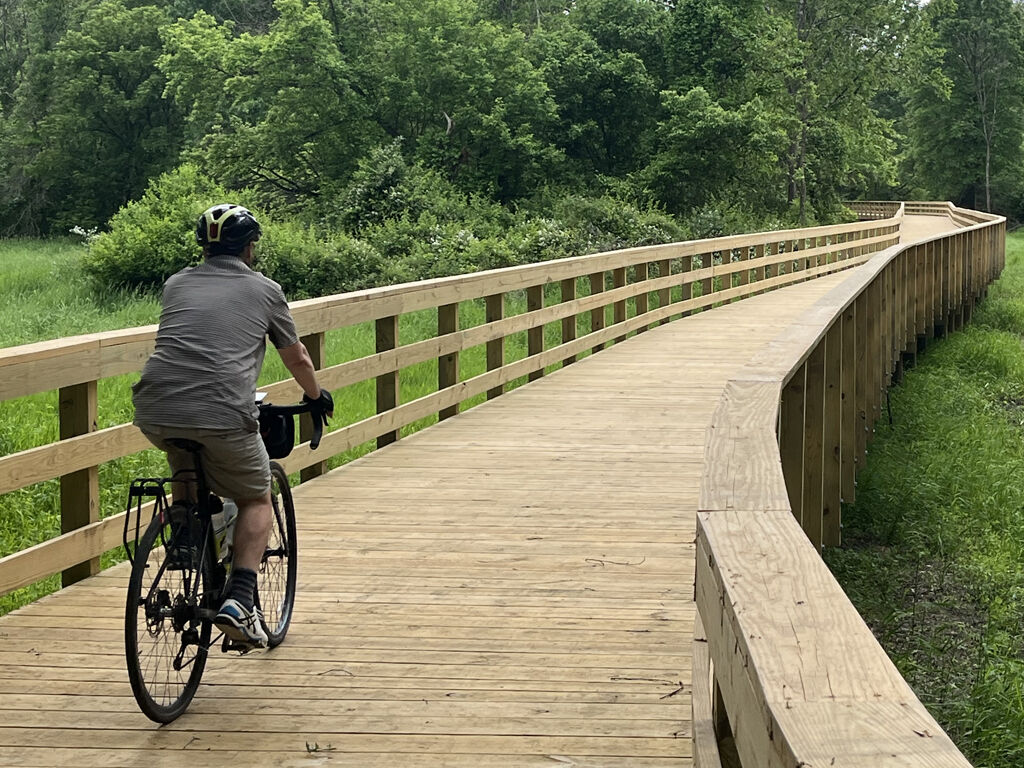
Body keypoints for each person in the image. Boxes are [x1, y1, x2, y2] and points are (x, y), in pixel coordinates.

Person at [132, 204, 333, 648]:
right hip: (222, 412)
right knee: (256, 498)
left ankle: (186, 534)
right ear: (248, 246)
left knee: (185, 459)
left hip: (155, 406)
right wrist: (316, 396)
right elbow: (296, 355)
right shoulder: (265, 290)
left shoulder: (176, 284)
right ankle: (240, 599)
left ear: (205, 247)